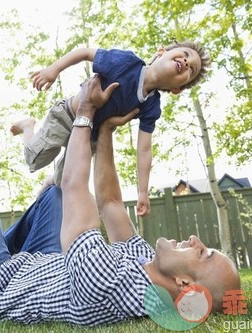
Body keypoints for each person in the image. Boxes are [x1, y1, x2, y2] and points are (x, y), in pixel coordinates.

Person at [0, 76, 239, 326]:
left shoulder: (108, 286)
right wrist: (105, 129)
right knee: (54, 195)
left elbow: (76, 183)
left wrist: (86, 111)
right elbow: (111, 203)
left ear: (184, 283)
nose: (197, 240)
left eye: (205, 254)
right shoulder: (146, 264)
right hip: (42, 265)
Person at [11, 42, 211, 217]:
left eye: (190, 70)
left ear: (176, 89)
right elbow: (85, 53)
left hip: (89, 138)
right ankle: (28, 126)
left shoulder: (151, 106)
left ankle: (50, 183)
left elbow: (144, 150)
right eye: (185, 55)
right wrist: (53, 70)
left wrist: (143, 192)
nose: (186, 63)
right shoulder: (127, 62)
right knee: (34, 160)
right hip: (66, 117)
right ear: (161, 52)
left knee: (65, 185)